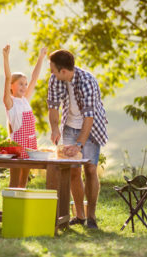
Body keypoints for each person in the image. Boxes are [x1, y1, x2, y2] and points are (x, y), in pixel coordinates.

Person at [47, 49, 108, 229]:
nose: (51, 73)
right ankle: (79, 216)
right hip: (69, 126)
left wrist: (79, 144)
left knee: (90, 169)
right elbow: (53, 106)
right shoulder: (55, 80)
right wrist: (55, 128)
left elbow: (89, 118)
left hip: (91, 128)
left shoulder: (88, 81)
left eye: (53, 70)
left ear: (63, 71)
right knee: (73, 171)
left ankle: (92, 217)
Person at [3, 44, 47, 188]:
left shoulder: (25, 100)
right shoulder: (10, 102)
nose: (24, 87)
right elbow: (7, 76)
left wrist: (41, 57)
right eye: (20, 84)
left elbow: (35, 78)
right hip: (17, 145)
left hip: (30, 144)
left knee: (24, 180)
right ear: (11, 85)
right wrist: (6, 58)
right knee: (15, 180)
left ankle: (20, 205)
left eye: (25, 84)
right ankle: (11, 205)